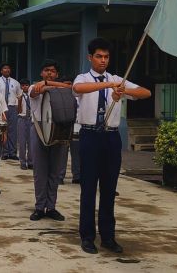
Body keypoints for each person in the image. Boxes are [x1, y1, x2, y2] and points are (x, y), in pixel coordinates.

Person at [73, 38, 151, 254]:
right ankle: (87, 236)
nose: (103, 61)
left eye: (106, 57)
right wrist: (109, 85)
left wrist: (124, 91)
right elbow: (78, 88)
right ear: (90, 57)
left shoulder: (119, 80)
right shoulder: (84, 78)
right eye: (99, 56)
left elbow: (146, 93)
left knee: (109, 189)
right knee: (88, 188)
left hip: (111, 138)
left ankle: (108, 236)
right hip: (89, 136)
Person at [28, 60, 72, 222]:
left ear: (57, 74)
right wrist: (46, 85)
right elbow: (35, 92)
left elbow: (72, 90)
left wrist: (49, 84)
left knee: (55, 172)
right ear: (41, 73)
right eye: (46, 70)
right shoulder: (34, 86)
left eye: (52, 71)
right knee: (40, 172)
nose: (49, 73)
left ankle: (51, 207)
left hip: (58, 131)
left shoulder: (63, 89)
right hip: (39, 130)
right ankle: (39, 207)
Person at [0, 62, 22, 160]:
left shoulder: (15, 82)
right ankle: (4, 152)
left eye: (8, 68)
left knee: (13, 131)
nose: (7, 70)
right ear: (1, 71)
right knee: (2, 129)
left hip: (12, 107)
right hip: (1, 107)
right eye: (4, 68)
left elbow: (19, 96)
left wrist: (19, 109)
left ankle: (13, 152)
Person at [17, 78, 32, 170]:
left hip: (30, 119)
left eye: (26, 85)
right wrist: (19, 100)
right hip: (22, 119)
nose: (25, 87)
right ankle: (22, 162)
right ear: (21, 87)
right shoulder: (19, 96)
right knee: (22, 142)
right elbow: (18, 110)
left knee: (31, 142)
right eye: (23, 85)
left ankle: (31, 161)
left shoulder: (32, 95)